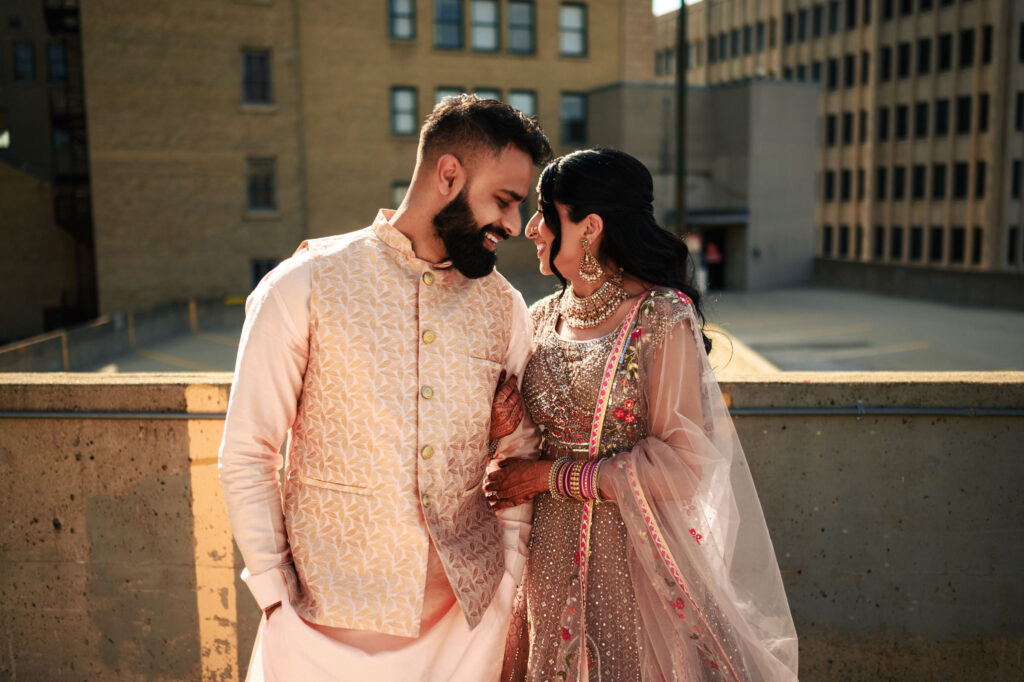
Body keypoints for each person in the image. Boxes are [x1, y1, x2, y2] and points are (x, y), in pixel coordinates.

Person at [218, 94, 551, 682]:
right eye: (503, 200)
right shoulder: (303, 284)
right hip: (320, 632)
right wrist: (273, 599)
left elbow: (521, 448)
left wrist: (510, 569)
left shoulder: (504, 307)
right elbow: (249, 451)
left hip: (464, 629)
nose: (514, 225)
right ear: (449, 174)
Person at [485, 149, 798, 681]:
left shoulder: (660, 316)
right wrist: (500, 428)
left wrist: (548, 477)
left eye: (545, 212)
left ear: (590, 227)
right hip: (548, 557)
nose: (531, 228)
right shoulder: (536, 319)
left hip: (635, 562)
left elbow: (683, 463)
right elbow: (526, 440)